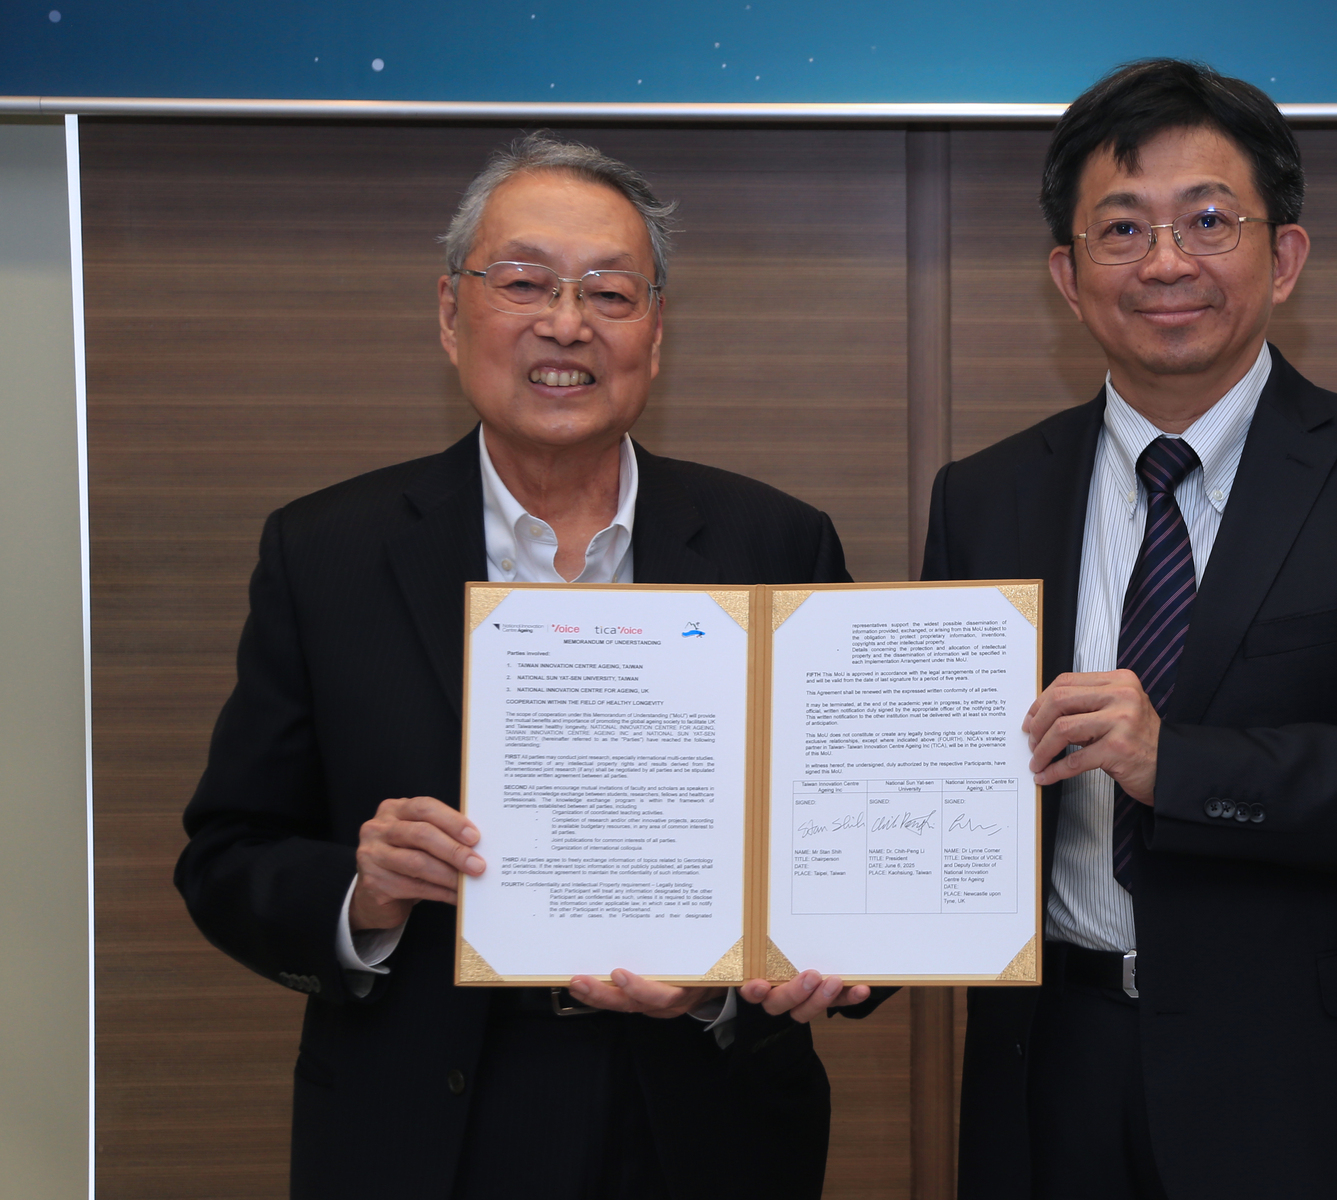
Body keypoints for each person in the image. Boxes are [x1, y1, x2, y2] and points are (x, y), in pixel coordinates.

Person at [175, 131, 868, 1200]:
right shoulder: (328, 554)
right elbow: (226, 858)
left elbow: (858, 862)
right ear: (451, 315)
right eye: (524, 282)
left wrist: (742, 980)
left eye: (609, 291)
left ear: (657, 328)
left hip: (704, 1118)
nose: (565, 322)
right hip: (425, 1124)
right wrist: (363, 890)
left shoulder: (775, 546)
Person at [920, 61, 1337, 1199]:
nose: (1166, 261)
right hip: (1055, 1071)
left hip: (1315, 1084)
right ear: (1067, 275)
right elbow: (939, 788)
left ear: (1286, 256)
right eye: (1122, 228)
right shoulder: (985, 497)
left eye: (1209, 219)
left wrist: (1183, 765)